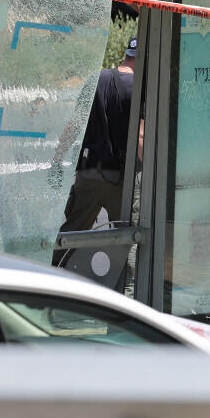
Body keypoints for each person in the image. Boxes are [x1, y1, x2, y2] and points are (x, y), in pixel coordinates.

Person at [49, 37, 141, 266]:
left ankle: (52, 278)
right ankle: (125, 293)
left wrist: (57, 160)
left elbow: (74, 125)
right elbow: (141, 138)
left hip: (89, 176)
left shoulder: (97, 79)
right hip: (122, 182)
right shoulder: (140, 89)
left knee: (70, 237)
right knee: (127, 241)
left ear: (126, 55)